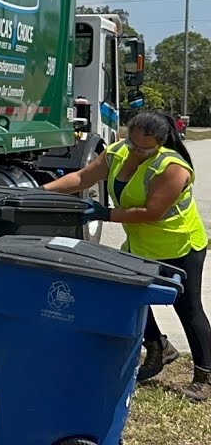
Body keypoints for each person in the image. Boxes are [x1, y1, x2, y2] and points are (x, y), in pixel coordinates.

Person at [43, 110, 210, 401]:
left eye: (145, 148)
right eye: (132, 143)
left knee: (188, 308)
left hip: (179, 245)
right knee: (127, 295)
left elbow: (152, 212)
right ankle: (159, 348)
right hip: (141, 245)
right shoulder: (118, 152)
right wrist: (42, 191)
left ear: (160, 143)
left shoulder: (172, 166)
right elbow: (81, 177)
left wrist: (105, 214)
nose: (135, 151)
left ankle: (204, 377)